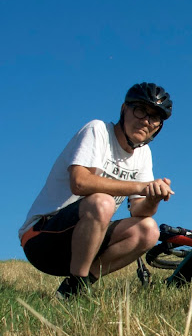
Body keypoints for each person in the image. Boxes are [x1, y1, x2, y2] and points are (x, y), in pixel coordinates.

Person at [18, 82, 175, 298]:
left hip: (85, 243)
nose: (145, 121)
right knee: (103, 202)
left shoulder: (143, 154)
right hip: (42, 240)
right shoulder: (98, 130)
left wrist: (153, 196)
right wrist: (141, 186)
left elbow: (139, 210)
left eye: (154, 117)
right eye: (140, 110)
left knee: (148, 230)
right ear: (124, 109)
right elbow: (80, 183)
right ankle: (77, 280)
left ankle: (73, 291)